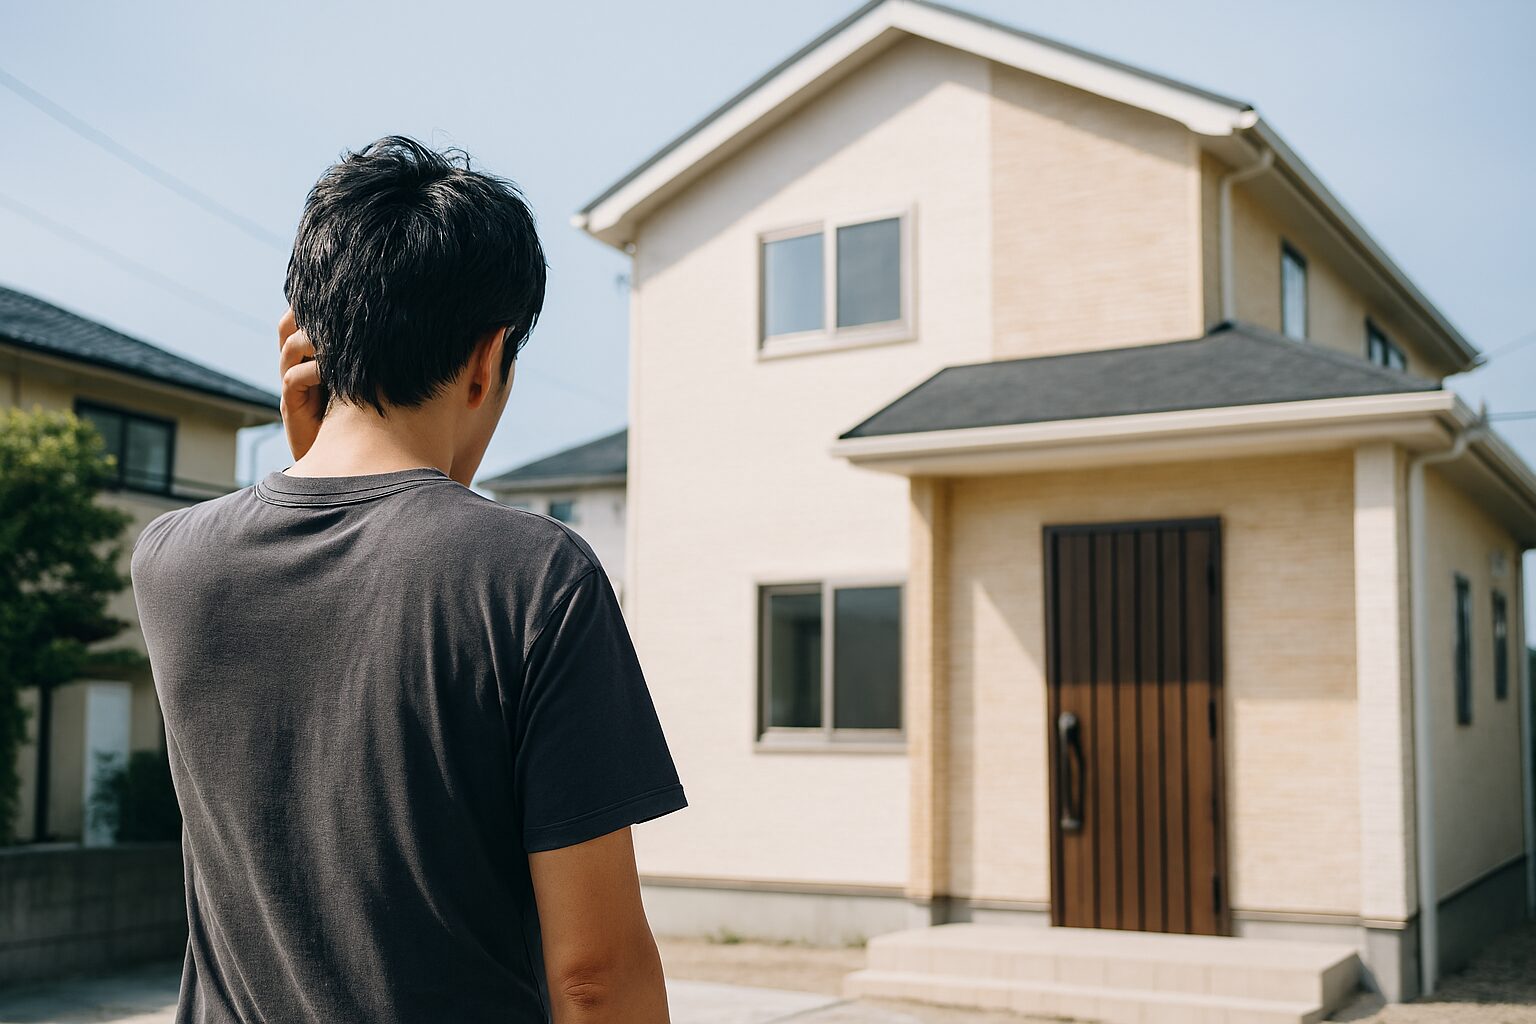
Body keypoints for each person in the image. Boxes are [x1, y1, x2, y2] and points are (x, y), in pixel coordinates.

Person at [131, 135, 686, 1024]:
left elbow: (366, 565)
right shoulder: (537, 577)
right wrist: (418, 492)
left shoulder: (170, 561)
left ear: (307, 337)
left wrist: (323, 468)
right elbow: (595, 974)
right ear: (486, 358)